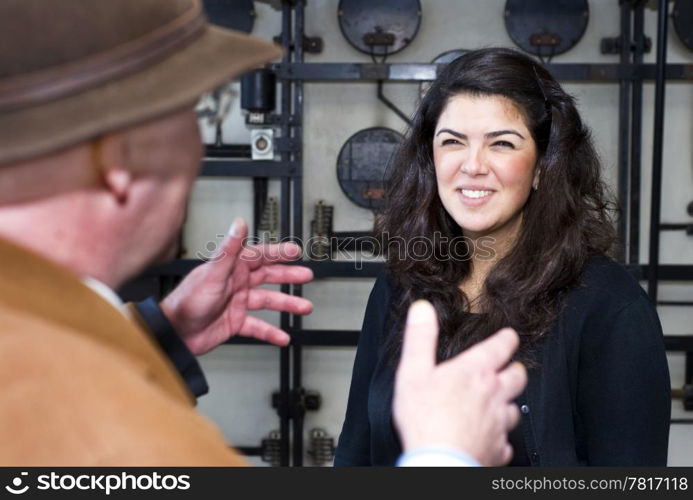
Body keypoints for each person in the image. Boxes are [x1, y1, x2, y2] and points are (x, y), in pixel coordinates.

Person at [0, 0, 526, 466]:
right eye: (189, 113)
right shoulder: (139, 447)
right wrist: (445, 456)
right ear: (119, 162)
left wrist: (161, 336)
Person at [335, 48, 671, 466]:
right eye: (453, 142)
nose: (472, 165)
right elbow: (355, 454)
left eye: (502, 143)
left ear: (542, 168)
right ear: (430, 158)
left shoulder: (609, 305)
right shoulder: (399, 286)